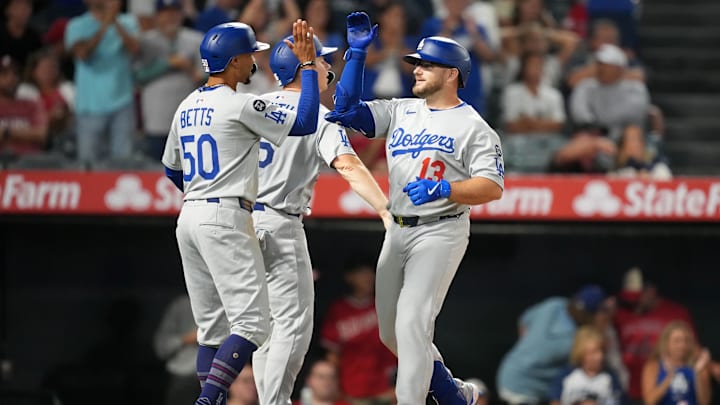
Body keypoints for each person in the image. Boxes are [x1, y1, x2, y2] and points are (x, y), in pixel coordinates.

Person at [325, 11, 504, 405]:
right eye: (417, 64)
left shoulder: (473, 126)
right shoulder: (402, 109)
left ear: (452, 73)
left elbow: (492, 187)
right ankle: (455, 396)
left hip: (441, 229)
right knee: (391, 334)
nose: (417, 70)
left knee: (411, 325)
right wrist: (355, 55)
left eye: (427, 65)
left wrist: (447, 188)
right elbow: (346, 111)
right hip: (399, 228)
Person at [161, 20, 320, 405]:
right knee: (253, 324)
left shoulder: (186, 106)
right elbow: (305, 121)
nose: (254, 59)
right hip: (225, 215)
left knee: (211, 331)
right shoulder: (239, 102)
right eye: (250, 53)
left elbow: (171, 167)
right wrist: (310, 68)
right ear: (233, 61)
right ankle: (207, 400)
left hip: (190, 216)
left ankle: (209, 398)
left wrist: (201, 195)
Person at [250, 34, 391, 405]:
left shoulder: (254, 105)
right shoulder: (317, 116)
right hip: (280, 220)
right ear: (305, 67)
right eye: (322, 60)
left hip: (240, 221)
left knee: (259, 327)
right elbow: (349, 165)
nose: (328, 64)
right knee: (292, 327)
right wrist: (384, 208)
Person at [496, 285, 607, 405]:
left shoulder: (555, 304)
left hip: (507, 369)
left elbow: (523, 322)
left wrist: (530, 347)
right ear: (591, 315)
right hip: (524, 390)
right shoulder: (574, 340)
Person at [64, 0, 140, 165]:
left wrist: (115, 23)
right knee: (88, 163)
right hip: (89, 105)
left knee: (124, 162)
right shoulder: (77, 25)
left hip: (122, 102)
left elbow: (135, 50)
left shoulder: (128, 22)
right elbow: (82, 54)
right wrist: (104, 26)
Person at [320, 258, 397, 405]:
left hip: (385, 390)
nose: (368, 277)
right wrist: (335, 389)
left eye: (371, 272)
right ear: (350, 277)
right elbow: (332, 355)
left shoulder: (383, 305)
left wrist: (399, 387)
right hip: (350, 391)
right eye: (362, 273)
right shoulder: (339, 310)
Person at [135, 0, 204, 160]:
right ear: (157, 16)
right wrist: (168, 63)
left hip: (188, 121)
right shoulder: (145, 41)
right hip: (156, 119)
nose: (170, 17)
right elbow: (138, 76)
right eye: (165, 13)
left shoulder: (196, 39)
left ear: (181, 14)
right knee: (154, 170)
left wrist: (190, 69)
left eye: (174, 12)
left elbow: (206, 76)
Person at [614, 268, 696, 403]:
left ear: (651, 290)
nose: (635, 302)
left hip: (667, 391)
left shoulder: (675, 313)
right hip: (630, 390)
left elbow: (692, 348)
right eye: (631, 298)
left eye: (637, 297)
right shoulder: (621, 314)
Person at [549, 326, 624, 405]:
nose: (599, 356)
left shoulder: (609, 377)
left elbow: (619, 400)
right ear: (581, 353)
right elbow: (555, 401)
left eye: (602, 351)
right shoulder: (565, 375)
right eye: (593, 352)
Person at [641, 321, 711, 405]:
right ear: (666, 343)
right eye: (677, 341)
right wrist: (668, 378)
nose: (682, 345)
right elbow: (649, 401)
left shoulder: (698, 366)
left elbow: (704, 401)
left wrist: (699, 373)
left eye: (686, 340)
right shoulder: (653, 366)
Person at [153, 294, 200, 405]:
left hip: (221, 377)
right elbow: (161, 347)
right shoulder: (181, 305)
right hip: (184, 376)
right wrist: (188, 339)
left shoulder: (226, 302)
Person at [0, 54, 49, 156]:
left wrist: (6, 133)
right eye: (4, 74)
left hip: (30, 161)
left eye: (15, 74)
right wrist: (28, 133)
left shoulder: (31, 104)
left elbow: (43, 134)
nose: (11, 78)